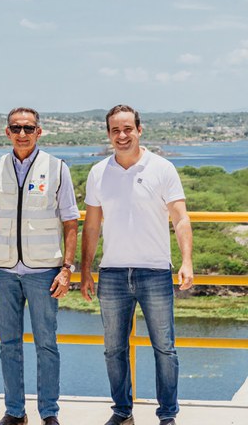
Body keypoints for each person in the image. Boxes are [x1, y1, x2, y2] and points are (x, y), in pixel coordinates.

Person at [80, 105, 194, 425]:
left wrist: (187, 261)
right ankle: (122, 411)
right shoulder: (98, 172)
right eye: (115, 130)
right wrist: (86, 270)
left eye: (127, 128)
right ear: (108, 134)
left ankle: (167, 415)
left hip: (155, 271)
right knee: (113, 350)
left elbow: (181, 218)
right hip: (113, 273)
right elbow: (91, 225)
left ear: (139, 130)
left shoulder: (162, 168)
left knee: (165, 349)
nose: (122, 135)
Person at [0, 107, 79, 425]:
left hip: (45, 270)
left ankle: (49, 412)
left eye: (28, 128)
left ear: (39, 131)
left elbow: (71, 221)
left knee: (47, 344)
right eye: (16, 128)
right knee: (9, 346)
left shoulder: (57, 168)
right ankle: (15, 412)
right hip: (4, 269)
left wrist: (67, 268)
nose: (22, 134)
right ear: (7, 132)